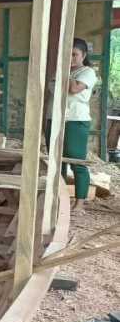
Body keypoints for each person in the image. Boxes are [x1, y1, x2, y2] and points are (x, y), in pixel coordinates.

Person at [62, 38, 97, 211]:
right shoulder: (59, 71)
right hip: (55, 119)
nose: (71, 58)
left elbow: (74, 89)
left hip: (75, 120)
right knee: (56, 161)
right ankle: (59, 200)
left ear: (83, 55)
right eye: (67, 54)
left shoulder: (88, 72)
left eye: (74, 54)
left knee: (76, 161)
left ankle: (79, 203)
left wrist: (66, 72)